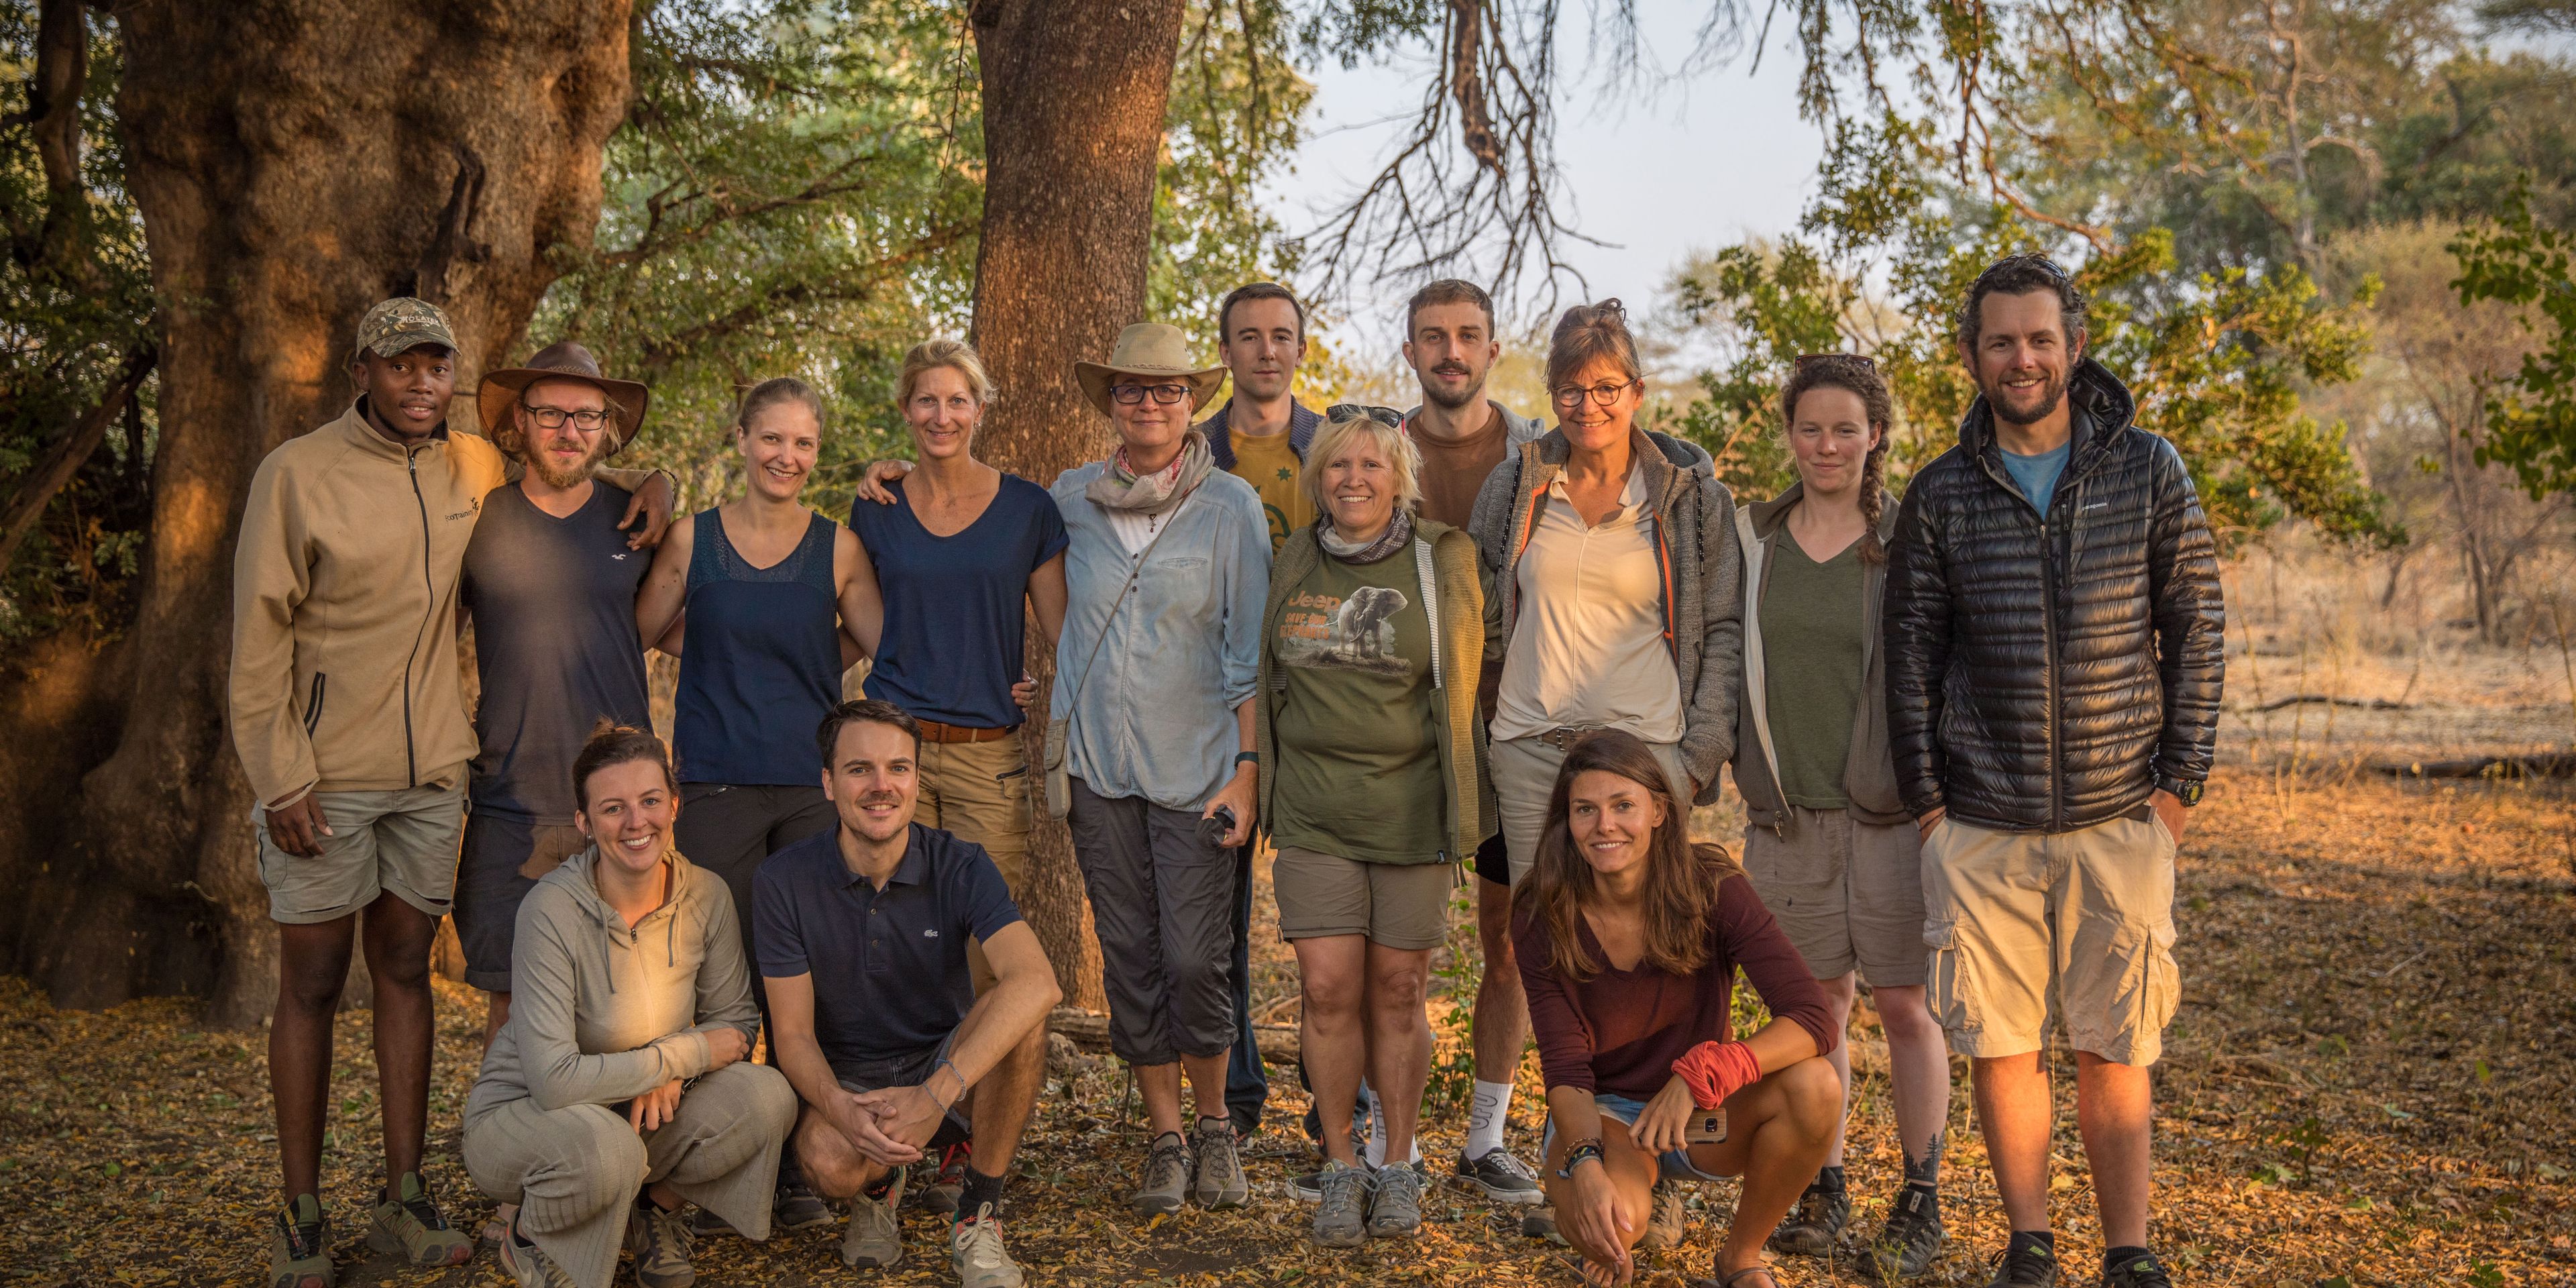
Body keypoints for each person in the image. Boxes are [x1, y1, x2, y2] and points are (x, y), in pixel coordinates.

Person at [229, 298, 673, 1288]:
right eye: (402, 367)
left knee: (403, 974)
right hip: (323, 774)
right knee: (310, 982)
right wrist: (280, 773)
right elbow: (256, 635)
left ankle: (404, 1195)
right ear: (364, 372)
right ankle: (301, 1212)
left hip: (433, 771)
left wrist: (663, 479)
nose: (422, 385)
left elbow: (583, 478)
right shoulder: (297, 474)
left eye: (437, 368)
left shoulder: (466, 467)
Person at [1884, 255, 2224, 1288]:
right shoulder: (1941, 492)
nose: (2021, 358)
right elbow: (1908, 652)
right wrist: (1932, 810)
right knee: (1999, 1047)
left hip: (2122, 812)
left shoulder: (2149, 468)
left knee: (2115, 1047)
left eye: (2039, 339)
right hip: (1981, 819)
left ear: (2075, 347)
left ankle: (2131, 1255)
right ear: (1972, 356)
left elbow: (2196, 629)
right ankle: (2028, 1245)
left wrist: (2175, 797)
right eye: (2000, 341)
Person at [1466, 297, 1743, 1244]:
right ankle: (1575, 1156)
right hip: (1531, 748)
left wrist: (1697, 756)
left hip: (1645, 748)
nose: (1589, 406)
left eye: (1608, 388)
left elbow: (1721, 628)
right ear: (1549, 395)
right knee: (1556, 955)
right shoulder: (1516, 487)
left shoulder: (1687, 492)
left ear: (1637, 390)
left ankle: (1660, 1162)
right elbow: (1486, 619)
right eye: (1571, 389)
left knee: (1652, 947)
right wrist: (1489, 726)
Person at [632, 375, 883, 1230]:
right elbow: (644, 631)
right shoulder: (693, 540)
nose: (787, 456)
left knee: (812, 979)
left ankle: (803, 1164)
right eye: (771, 439)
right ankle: (710, 1164)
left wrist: (815, 663)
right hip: (716, 786)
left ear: (817, 450)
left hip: (813, 792)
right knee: (721, 982)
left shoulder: (838, 547)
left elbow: (874, 641)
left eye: (804, 443)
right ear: (741, 439)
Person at [1729, 354, 1952, 1279]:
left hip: (1894, 815)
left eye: (1846, 429)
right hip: (1786, 816)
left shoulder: (1910, 543)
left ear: (1875, 437)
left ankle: (1922, 1193)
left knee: (1905, 1004)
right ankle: (1825, 1184)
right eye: (1811, 428)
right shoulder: (1753, 540)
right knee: (1815, 1010)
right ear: (1790, 435)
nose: (1828, 445)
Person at [1254, 408, 1491, 1245]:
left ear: (1400, 479)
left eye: (1372, 466)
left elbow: (1465, 678)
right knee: (1326, 989)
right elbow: (1259, 668)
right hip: (1314, 809)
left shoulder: (1442, 558)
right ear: (1318, 479)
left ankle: (1397, 1163)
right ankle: (1340, 1163)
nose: (1353, 479)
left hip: (1412, 811)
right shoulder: (1294, 558)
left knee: (1398, 992)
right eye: (1338, 466)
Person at [1051, 322, 1269, 1216]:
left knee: (1193, 959)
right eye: (1133, 390)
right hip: (1100, 770)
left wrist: (1249, 769)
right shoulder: (1068, 500)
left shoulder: (1231, 507)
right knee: (1131, 959)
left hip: (1199, 772)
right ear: (1111, 401)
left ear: (1194, 403)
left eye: (1168, 391)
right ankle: (1165, 1140)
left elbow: (1249, 651)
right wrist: (891, 483)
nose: (1149, 405)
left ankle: (1217, 1127)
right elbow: (993, 544)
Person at [462, 724, 796, 1288]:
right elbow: (554, 1083)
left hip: (639, 1110)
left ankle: (652, 1212)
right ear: (585, 824)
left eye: (649, 802)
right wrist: (676, 1059)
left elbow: (735, 1023)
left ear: (675, 803)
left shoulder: (707, 895)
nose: (636, 822)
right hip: (525, 1115)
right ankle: (533, 1236)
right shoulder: (550, 912)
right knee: (606, 1151)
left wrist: (672, 1063)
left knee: (767, 1098)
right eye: (613, 809)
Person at [1516, 731, 1842, 1288]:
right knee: (1616, 1222)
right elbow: (1566, 1073)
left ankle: (1740, 1257)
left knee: (1816, 1087)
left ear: (1660, 811)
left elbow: (1813, 1017)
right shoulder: (1541, 907)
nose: (1605, 826)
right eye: (1585, 810)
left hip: (1699, 1113)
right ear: (1565, 821)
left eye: (1624, 806)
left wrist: (1706, 1073)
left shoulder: (1711, 887)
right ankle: (1628, 1204)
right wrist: (1585, 1165)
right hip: (1605, 1115)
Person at [758, 700, 1059, 1288]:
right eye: (859, 769)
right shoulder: (783, 880)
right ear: (827, 782)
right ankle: (877, 1187)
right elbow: (790, 1034)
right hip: (850, 1083)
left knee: (1025, 1016)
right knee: (826, 1164)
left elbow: (1038, 980)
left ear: (918, 780)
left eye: (899, 769)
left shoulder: (962, 864)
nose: (881, 786)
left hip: (942, 1070)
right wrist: (839, 1105)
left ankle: (979, 1215)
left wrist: (934, 1093)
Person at [455, 341, 658, 1049]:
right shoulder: (478, 520)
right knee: (513, 1009)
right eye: (550, 413)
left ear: (607, 428)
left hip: (622, 799)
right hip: (512, 795)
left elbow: (701, 627)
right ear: (519, 419)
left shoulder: (637, 523)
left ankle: (616, 1158)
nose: (568, 431)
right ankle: (510, 1152)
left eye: (586, 416)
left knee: (627, 1002)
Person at [1397, 278, 1549, 1206]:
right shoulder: (1374, 449)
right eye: (1432, 337)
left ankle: (1486, 1135)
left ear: (1493, 348)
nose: (1450, 351)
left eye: (1467, 335)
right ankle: (1389, 1131)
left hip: (1511, 730)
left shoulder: (1541, 454)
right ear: (1409, 352)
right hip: (1403, 736)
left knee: (1513, 940)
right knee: (1399, 947)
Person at [1201, 280, 1326, 552]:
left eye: (1281, 337)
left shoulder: (1335, 445)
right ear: (1226, 352)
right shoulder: (1192, 451)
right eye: (1249, 338)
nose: (1267, 352)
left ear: (1300, 352)